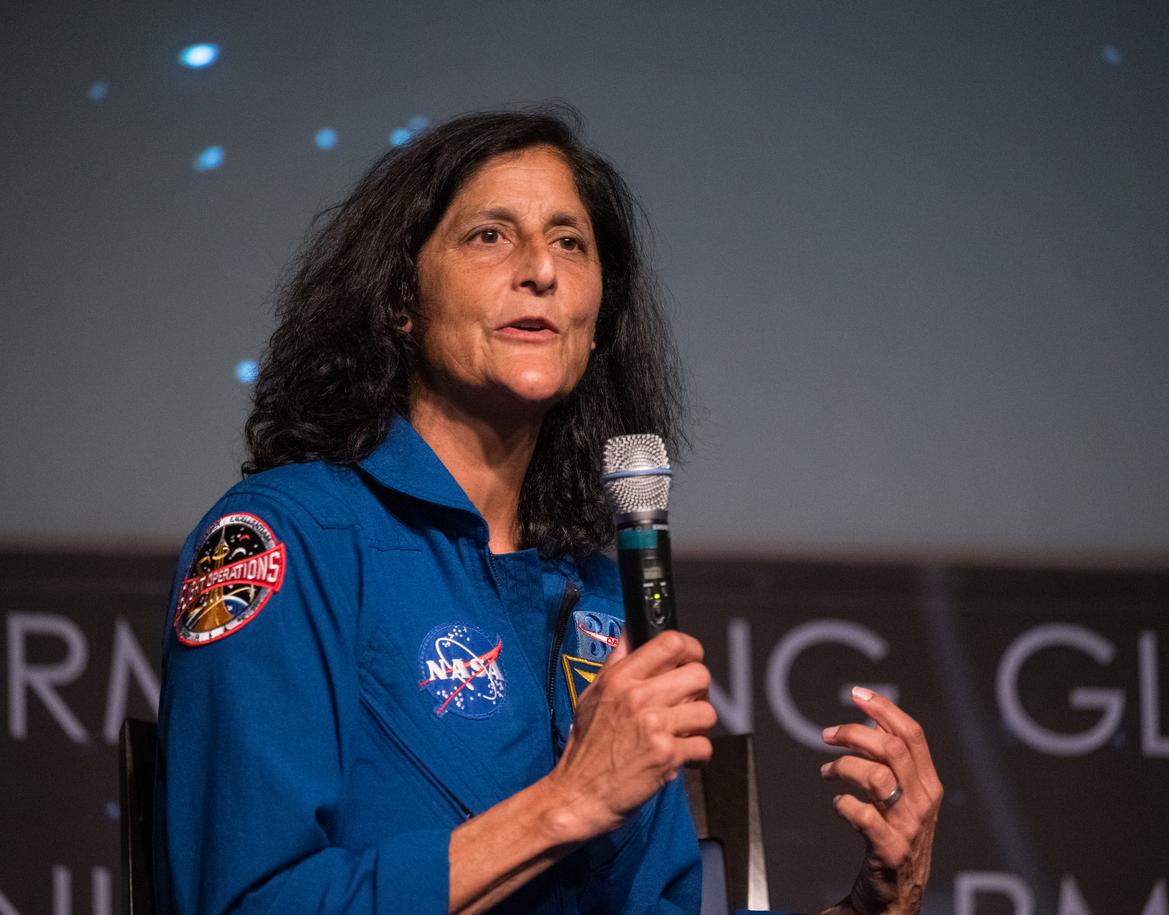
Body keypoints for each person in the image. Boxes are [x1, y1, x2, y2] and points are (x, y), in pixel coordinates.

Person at [155, 108, 942, 914]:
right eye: (489, 236)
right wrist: (567, 802)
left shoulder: (601, 593)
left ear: (597, 322)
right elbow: (243, 900)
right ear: (400, 300)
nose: (541, 269)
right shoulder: (286, 540)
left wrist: (869, 908)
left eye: (570, 242)